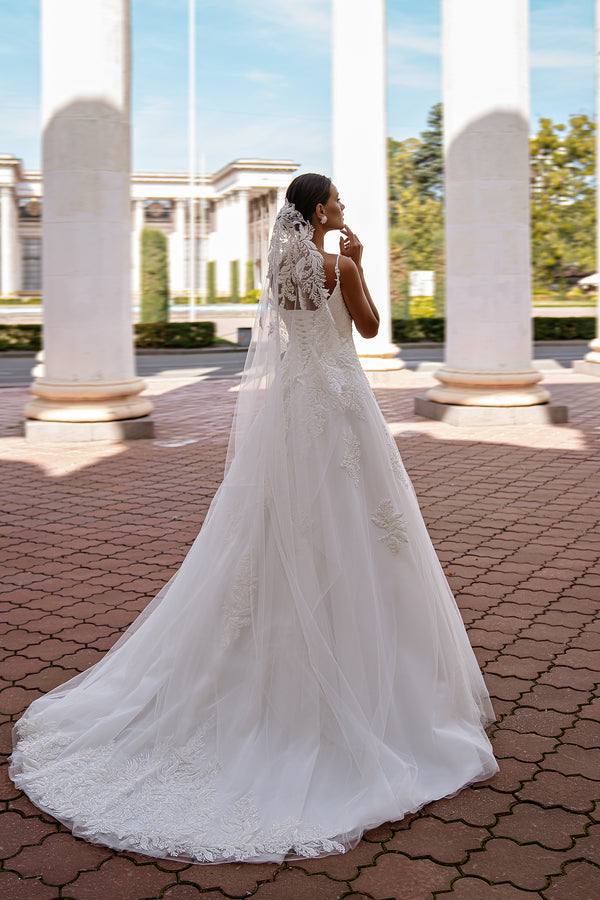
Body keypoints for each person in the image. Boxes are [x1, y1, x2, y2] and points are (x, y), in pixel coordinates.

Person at [10, 173, 498, 865]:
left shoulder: (278, 268)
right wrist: (356, 260)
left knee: (280, 526)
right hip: (343, 411)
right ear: (322, 209)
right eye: (338, 200)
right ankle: (373, 686)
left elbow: (287, 337)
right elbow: (367, 328)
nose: (345, 207)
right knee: (361, 525)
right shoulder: (341, 263)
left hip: (294, 412)